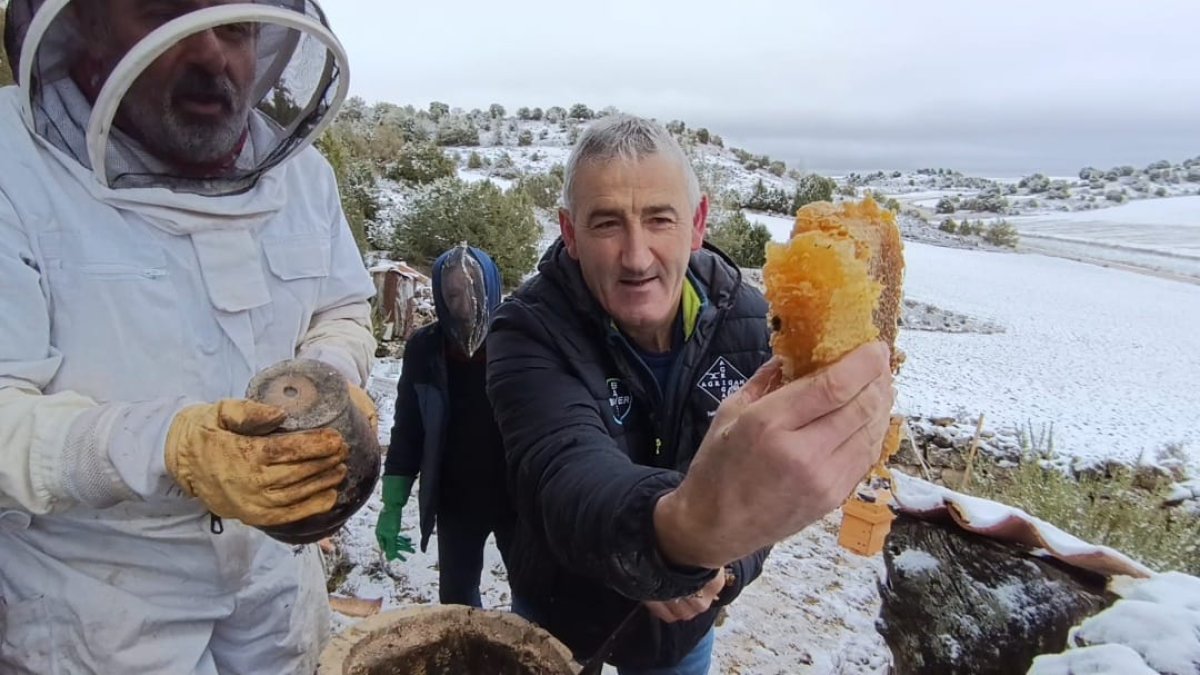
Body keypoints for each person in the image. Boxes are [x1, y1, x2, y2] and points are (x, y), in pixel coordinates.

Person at [0, 2, 376, 673]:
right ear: (88, 27)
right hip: (99, 599)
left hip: (275, 576)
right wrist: (168, 447)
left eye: (236, 28)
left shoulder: (301, 175)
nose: (210, 54)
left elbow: (341, 307)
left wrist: (329, 378)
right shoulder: (13, 169)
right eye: (164, 15)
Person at [486, 114, 895, 674]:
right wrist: (672, 535)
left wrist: (724, 567)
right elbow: (560, 471)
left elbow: (763, 487)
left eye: (660, 219)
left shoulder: (755, 323)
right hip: (560, 612)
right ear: (571, 234)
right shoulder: (527, 329)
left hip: (680, 637)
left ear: (698, 223)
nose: (636, 256)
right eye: (606, 223)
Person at [375, 244, 516, 608]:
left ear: (491, 287)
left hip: (518, 494)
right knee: (457, 598)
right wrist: (392, 504)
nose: (466, 304)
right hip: (457, 496)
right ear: (440, 297)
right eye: (453, 294)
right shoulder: (425, 349)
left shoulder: (519, 340)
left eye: (474, 290)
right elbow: (408, 429)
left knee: (534, 595)